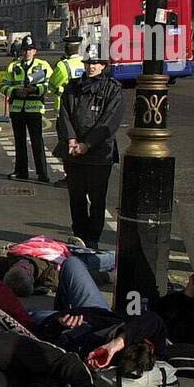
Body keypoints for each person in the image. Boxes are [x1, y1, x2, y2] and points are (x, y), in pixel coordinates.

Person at [55, 42, 124, 249]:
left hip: (99, 153)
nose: (91, 67)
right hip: (74, 151)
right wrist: (71, 139)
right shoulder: (73, 87)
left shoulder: (113, 89)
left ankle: (93, 238)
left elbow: (108, 122)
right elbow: (64, 114)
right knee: (76, 197)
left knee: (97, 199)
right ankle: (79, 234)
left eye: (96, 63)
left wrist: (87, 144)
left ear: (103, 65)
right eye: (88, 63)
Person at [0, 34, 52, 183]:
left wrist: (34, 90)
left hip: (34, 109)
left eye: (30, 49)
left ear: (35, 51)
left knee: (37, 142)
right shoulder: (13, 66)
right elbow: (3, 85)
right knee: (19, 142)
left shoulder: (43, 66)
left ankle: (42, 174)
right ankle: (21, 171)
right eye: (25, 49)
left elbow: (48, 85)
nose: (27, 52)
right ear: (21, 51)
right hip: (17, 110)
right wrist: (15, 92)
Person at [49, 34, 86, 101]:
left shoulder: (62, 65)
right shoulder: (88, 63)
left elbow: (51, 86)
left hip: (66, 104)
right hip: (84, 103)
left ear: (66, 49)